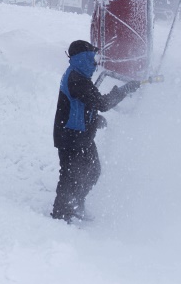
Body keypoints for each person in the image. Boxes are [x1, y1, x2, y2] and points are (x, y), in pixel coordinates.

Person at [51, 40, 141, 223]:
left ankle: (75, 203)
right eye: (92, 58)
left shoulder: (80, 77)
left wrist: (93, 120)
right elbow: (102, 103)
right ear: (82, 59)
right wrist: (124, 90)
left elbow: (83, 105)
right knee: (69, 175)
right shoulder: (77, 80)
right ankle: (61, 214)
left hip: (80, 135)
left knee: (92, 172)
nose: (95, 62)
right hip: (70, 137)